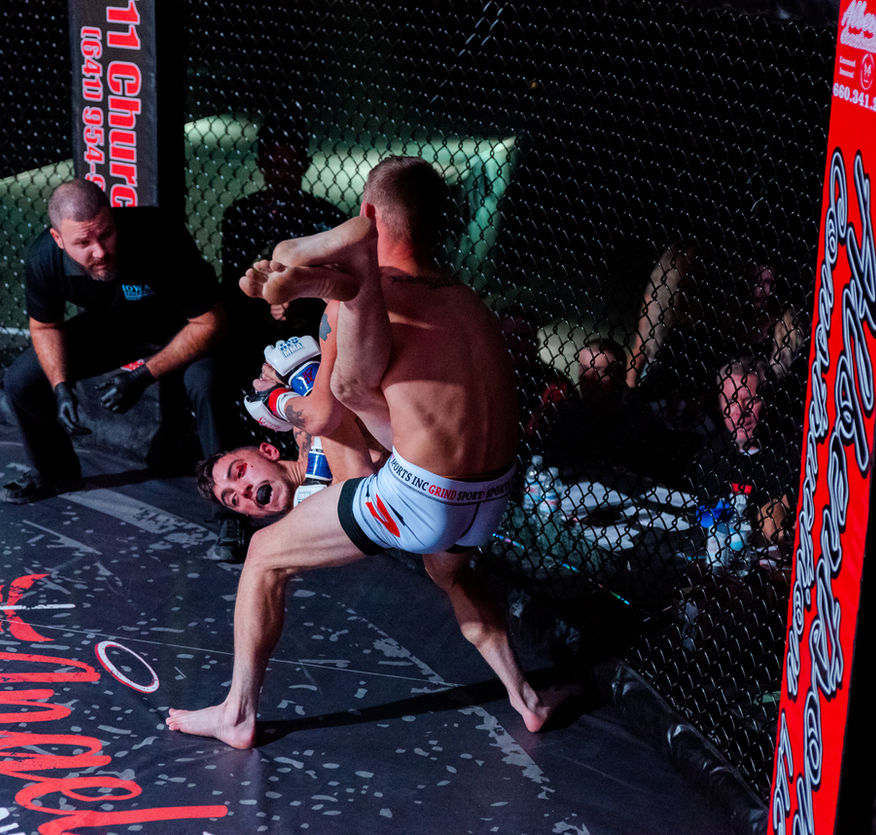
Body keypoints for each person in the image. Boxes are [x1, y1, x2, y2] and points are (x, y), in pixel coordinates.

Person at [166, 156, 576, 748]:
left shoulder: (366, 299)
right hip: (490, 496)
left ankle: (237, 714)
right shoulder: (470, 302)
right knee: (450, 571)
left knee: (262, 555)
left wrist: (277, 399)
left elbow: (326, 415)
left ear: (366, 213)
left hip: (422, 494)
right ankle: (527, 699)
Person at [1, 179, 246, 558]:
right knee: (21, 380)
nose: (100, 251)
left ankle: (231, 512)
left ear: (113, 219)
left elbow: (211, 323)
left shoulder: (157, 236)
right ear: (58, 239)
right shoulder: (43, 259)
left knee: (206, 383)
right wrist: (60, 386)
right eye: (84, 243)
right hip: (115, 328)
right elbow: (45, 327)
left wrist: (142, 375)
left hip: (183, 328)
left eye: (106, 234)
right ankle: (54, 473)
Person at [693, 356, 799, 553]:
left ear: (767, 402)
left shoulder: (790, 453)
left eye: (749, 400)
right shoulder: (712, 449)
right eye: (730, 401)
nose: (740, 412)